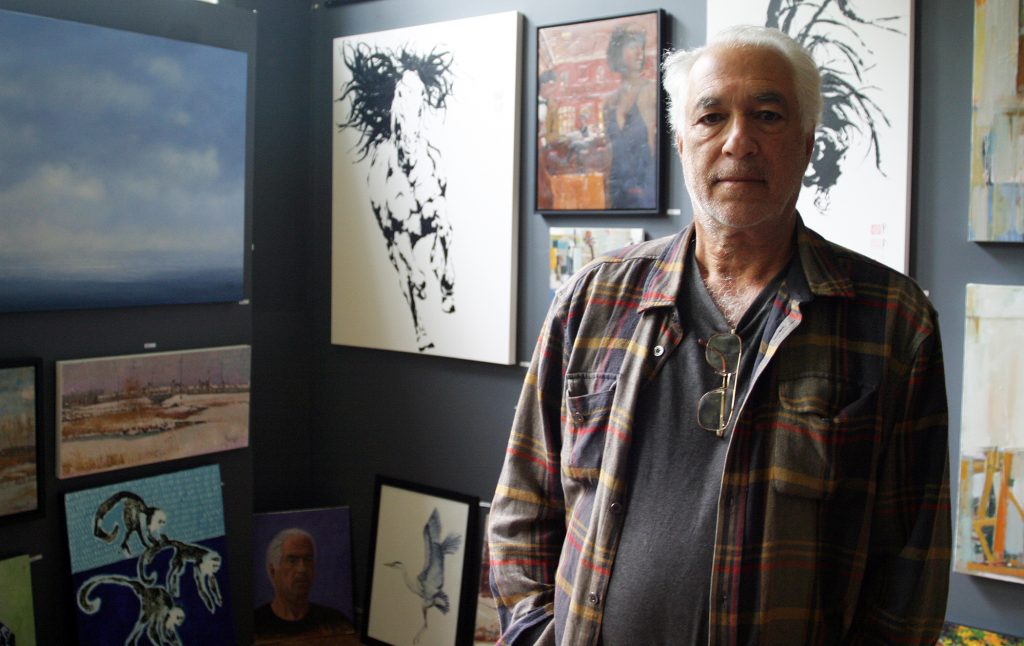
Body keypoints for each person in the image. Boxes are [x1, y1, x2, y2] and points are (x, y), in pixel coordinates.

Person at [488, 25, 950, 645]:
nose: (739, 141)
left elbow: (910, 575)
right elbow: (523, 504)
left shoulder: (892, 323)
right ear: (680, 142)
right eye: (711, 117)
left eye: (767, 114)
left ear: (808, 143)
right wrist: (536, 633)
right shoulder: (592, 301)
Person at [254, 528, 354, 642]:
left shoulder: (336, 624)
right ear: (273, 571)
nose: (302, 569)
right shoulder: (256, 627)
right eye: (292, 560)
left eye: (308, 560)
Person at [602, 25, 657, 209]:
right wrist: (606, 190)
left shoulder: (651, 91)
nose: (639, 52)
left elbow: (652, 142)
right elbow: (610, 149)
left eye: (641, 47)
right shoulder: (609, 102)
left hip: (646, 185)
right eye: (632, 46)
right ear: (618, 53)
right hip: (618, 186)